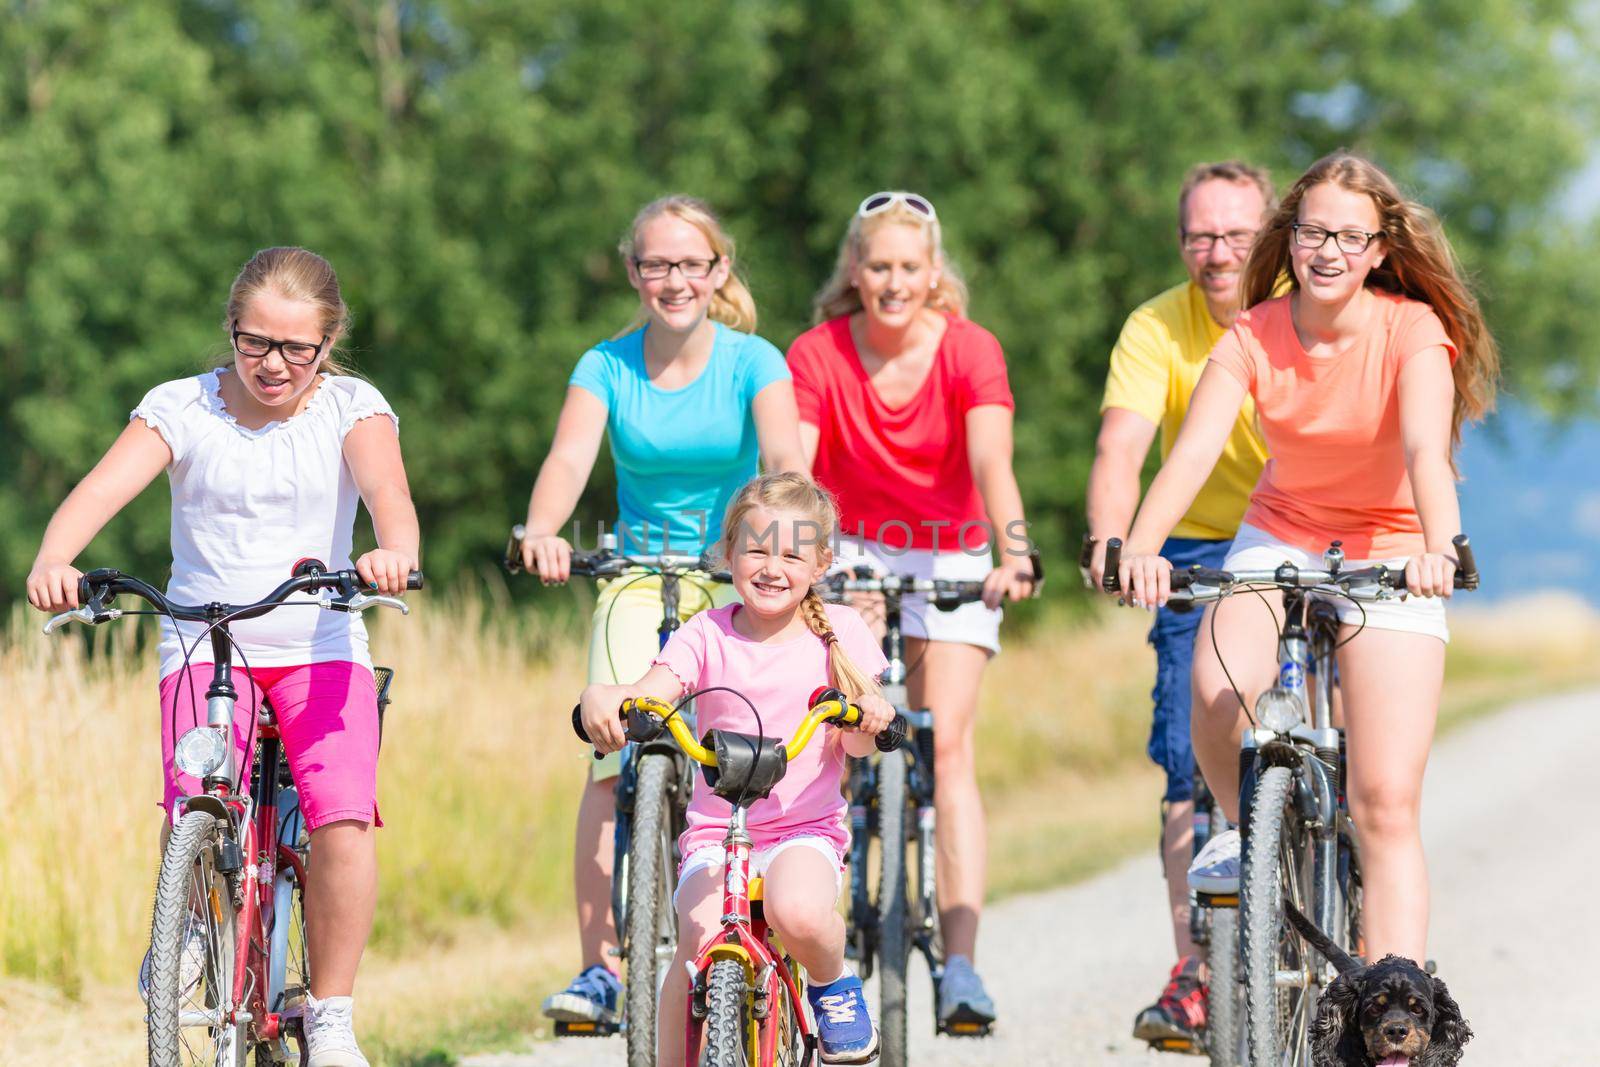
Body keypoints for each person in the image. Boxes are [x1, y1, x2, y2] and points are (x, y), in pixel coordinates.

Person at [25, 247, 420, 1067]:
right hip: (205, 645)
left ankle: (334, 1012)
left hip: (318, 643)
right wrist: (54, 559)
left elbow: (389, 496)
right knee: (196, 797)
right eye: (254, 342)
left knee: (343, 817)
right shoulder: (182, 407)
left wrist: (392, 552)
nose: (273, 364)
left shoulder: (352, 407)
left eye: (295, 348)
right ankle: (193, 927)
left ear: (327, 341)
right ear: (230, 331)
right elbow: (100, 491)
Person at [1115, 152, 1499, 968]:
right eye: (1312, 231)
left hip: (1394, 544)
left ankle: (1393, 1006)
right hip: (1283, 531)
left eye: (1349, 236)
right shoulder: (1254, 331)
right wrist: (1140, 545)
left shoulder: (1413, 330)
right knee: (1218, 692)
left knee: (1385, 802)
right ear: (1288, 238)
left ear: (1380, 251)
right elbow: (1188, 455)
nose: (1328, 251)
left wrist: (1441, 547)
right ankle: (1247, 836)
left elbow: (1427, 449)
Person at [520, 196, 806, 1026]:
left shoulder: (754, 360)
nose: (673, 280)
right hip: (637, 575)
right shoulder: (604, 365)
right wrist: (543, 529)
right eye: (655, 264)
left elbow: (785, 457)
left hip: (735, 577)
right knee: (611, 749)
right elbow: (570, 455)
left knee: (746, 752)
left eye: (690, 263)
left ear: (718, 271)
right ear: (633, 272)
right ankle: (599, 967)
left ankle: (760, 917)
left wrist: (787, 550)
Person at [786, 190, 1036, 1026]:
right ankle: (823, 905)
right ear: (855, 271)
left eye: (908, 267)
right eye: (878, 266)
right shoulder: (817, 352)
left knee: (948, 741)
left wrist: (1014, 550)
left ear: (935, 274)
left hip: (953, 546)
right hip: (852, 541)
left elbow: (993, 460)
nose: (893, 282)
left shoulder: (971, 349)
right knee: (841, 729)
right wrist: (799, 559)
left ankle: (960, 961)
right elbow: (797, 466)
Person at [578, 472, 894, 1066]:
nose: (772, 567)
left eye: (791, 554)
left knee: (796, 912)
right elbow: (653, 693)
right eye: (756, 550)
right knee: (694, 944)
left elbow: (855, 749)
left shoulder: (841, 632)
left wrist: (869, 716)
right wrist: (607, 696)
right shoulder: (705, 633)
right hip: (716, 835)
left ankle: (833, 984)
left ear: (821, 563)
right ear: (727, 554)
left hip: (803, 831)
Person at [1084, 161, 1273, 1047]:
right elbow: (1122, 447)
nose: (1218, 251)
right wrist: (1116, 540)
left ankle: (1351, 928)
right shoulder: (1157, 324)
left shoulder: (1298, 309)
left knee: (1343, 733)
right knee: (1184, 763)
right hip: (1191, 548)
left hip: (1307, 538)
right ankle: (1196, 969)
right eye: (1200, 234)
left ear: (1270, 233)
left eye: (1237, 233)